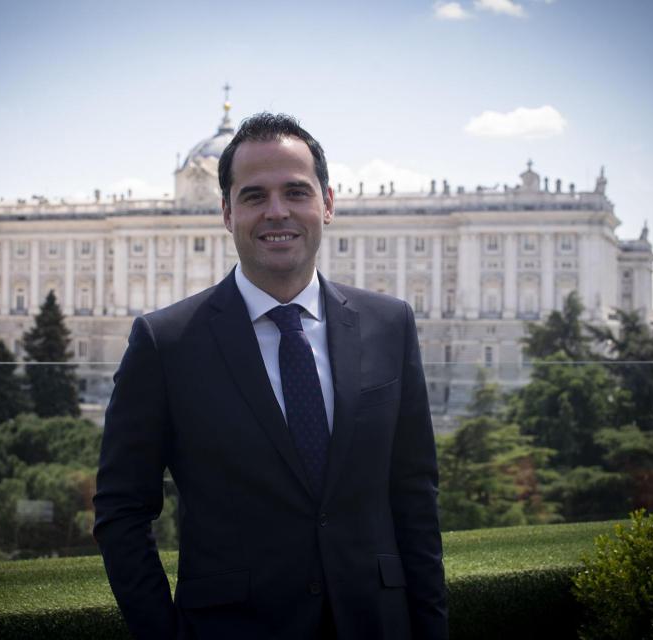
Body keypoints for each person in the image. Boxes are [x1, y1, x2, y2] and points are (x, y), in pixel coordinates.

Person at [93, 113, 448, 639]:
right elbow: (122, 510)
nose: (277, 212)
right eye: (255, 195)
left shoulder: (390, 324)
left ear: (327, 204)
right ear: (226, 211)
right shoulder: (164, 343)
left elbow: (414, 495)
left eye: (296, 192)